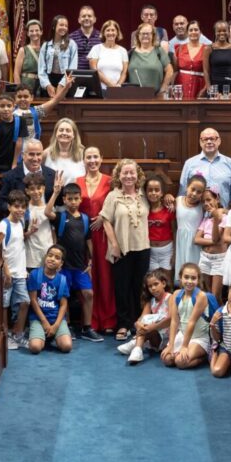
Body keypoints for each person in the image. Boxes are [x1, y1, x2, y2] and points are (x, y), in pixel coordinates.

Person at [45, 179, 103, 342]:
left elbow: (88, 242)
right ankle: (67, 325)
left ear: (80, 199)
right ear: (64, 200)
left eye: (76, 198)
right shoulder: (60, 217)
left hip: (80, 266)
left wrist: (91, 262)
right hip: (63, 266)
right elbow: (47, 212)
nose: (73, 202)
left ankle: (87, 328)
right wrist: (56, 192)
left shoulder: (85, 218)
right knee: (64, 295)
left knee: (88, 293)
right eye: (69, 199)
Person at [101, 159, 152, 342]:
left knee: (139, 288)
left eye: (132, 173)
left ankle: (138, 322)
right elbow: (105, 220)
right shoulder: (113, 196)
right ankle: (123, 324)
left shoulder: (144, 195)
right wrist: (114, 245)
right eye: (125, 173)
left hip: (142, 247)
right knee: (121, 287)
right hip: (121, 249)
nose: (129, 176)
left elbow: (160, 199)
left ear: (137, 175)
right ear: (119, 175)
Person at [77, 147, 116, 333]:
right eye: (88, 157)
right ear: (83, 160)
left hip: (103, 233)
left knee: (105, 276)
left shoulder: (110, 181)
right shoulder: (77, 181)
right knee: (88, 275)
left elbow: (117, 204)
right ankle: (90, 320)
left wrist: (103, 216)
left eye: (95, 157)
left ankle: (108, 320)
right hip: (83, 234)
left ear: (101, 158)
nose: (92, 160)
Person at [0, 190, 32, 351]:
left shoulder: (21, 222)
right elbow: (0, 250)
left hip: (20, 273)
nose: (20, 210)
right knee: (4, 305)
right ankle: (4, 336)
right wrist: (6, 271)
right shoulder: (3, 225)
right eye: (16, 206)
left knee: (25, 302)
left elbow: (18, 244)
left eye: (23, 207)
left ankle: (18, 334)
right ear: (9, 207)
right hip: (8, 273)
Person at [161, 262, 212, 369]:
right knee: (167, 359)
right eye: (186, 277)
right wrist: (171, 345)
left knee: (180, 362)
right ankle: (181, 351)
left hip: (199, 338)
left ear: (198, 280)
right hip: (183, 334)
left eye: (193, 278)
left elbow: (191, 322)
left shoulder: (201, 296)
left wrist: (184, 346)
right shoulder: (176, 294)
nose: (189, 281)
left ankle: (204, 356)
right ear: (180, 278)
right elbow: (174, 321)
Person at [118, 269, 172, 365]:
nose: (153, 288)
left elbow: (171, 319)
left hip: (168, 338)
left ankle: (135, 344)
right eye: (150, 286)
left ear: (163, 283)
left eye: (156, 284)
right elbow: (141, 318)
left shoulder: (170, 298)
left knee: (147, 324)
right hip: (154, 335)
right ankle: (137, 348)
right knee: (144, 321)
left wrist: (153, 326)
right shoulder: (151, 301)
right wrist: (138, 324)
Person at [27, 244, 72, 354]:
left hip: (56, 318)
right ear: (46, 257)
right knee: (35, 348)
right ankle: (40, 335)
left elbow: (63, 305)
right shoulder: (35, 274)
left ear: (61, 263)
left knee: (66, 346)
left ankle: (51, 335)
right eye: (50, 255)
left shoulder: (62, 279)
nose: (52, 259)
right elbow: (33, 300)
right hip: (38, 318)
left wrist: (56, 326)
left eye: (57, 258)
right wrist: (44, 322)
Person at [179, 128, 231, 208]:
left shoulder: (230, 163)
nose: (209, 142)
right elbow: (183, 192)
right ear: (200, 142)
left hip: (223, 213)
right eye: (205, 139)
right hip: (196, 213)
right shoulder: (189, 163)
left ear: (219, 141)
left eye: (212, 139)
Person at [0, 139, 56, 216]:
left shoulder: (52, 174)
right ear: (23, 155)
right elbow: (2, 203)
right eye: (31, 154)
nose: (35, 159)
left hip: (47, 220)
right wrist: (17, 211)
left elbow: (58, 203)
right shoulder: (9, 177)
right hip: (20, 220)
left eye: (38, 154)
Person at [0, 94, 28, 177]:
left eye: (9, 106)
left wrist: (14, 164)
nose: (6, 109)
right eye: (2, 106)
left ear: (14, 106)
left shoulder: (21, 121)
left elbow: (19, 143)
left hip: (13, 163)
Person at [195, 187, 227, 301]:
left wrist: (216, 218)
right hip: (205, 257)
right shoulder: (206, 219)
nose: (206, 203)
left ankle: (219, 313)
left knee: (215, 295)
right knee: (206, 293)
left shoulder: (225, 218)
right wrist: (213, 242)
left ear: (217, 199)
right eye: (203, 201)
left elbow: (216, 237)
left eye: (209, 200)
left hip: (219, 260)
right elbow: (197, 239)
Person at [174, 175, 206, 282]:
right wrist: (167, 196)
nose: (194, 194)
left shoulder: (202, 206)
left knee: (194, 270)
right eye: (193, 189)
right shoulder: (178, 201)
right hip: (181, 242)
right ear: (187, 187)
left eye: (199, 192)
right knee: (182, 270)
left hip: (195, 244)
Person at [127, 23, 173, 95]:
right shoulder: (131, 53)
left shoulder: (159, 51)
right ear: (138, 35)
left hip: (155, 96)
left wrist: (163, 88)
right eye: (143, 33)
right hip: (134, 96)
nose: (145, 36)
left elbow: (169, 71)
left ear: (153, 35)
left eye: (148, 33)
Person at [145, 174, 176, 279]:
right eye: (150, 190)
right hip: (151, 252)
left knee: (167, 281)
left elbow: (174, 231)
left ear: (162, 193)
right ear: (146, 192)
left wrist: (175, 253)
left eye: (157, 190)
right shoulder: (144, 210)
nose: (153, 193)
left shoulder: (169, 209)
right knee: (153, 281)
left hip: (167, 251)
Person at [37, 15, 78, 95]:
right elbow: (41, 69)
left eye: (66, 26)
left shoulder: (71, 44)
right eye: (61, 25)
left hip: (65, 80)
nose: (64, 28)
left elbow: (73, 68)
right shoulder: (45, 45)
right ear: (54, 26)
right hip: (49, 80)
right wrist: (47, 85)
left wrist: (62, 84)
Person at [23, 173, 53, 271]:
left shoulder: (49, 209)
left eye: (39, 188)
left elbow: (54, 232)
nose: (36, 192)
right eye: (32, 189)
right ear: (27, 191)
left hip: (48, 256)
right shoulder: (24, 210)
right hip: (31, 258)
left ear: (43, 188)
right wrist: (30, 231)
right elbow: (20, 236)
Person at [203, 20, 231, 97]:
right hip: (214, 88)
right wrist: (210, 89)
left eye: (224, 30)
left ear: (228, 31)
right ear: (215, 32)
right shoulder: (208, 49)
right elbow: (206, 71)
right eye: (219, 31)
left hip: (230, 88)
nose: (222, 33)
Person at [88, 20, 128, 90]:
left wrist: (118, 85)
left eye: (113, 30)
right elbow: (94, 69)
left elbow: (124, 73)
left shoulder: (123, 51)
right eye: (108, 30)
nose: (110, 33)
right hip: (100, 90)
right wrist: (111, 85)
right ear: (103, 33)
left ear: (117, 32)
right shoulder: (96, 48)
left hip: (117, 90)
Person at [172, 20, 208, 100]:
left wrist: (205, 88)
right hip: (181, 87)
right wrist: (172, 87)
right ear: (187, 32)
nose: (193, 32)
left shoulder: (206, 49)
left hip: (200, 86)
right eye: (191, 30)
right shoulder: (179, 49)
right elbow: (175, 71)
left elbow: (209, 72)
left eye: (196, 30)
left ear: (200, 32)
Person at [14, 19, 44, 93]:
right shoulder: (23, 50)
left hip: (42, 87)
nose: (34, 33)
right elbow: (16, 73)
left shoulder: (46, 49)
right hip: (26, 86)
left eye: (37, 30)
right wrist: (19, 90)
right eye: (31, 31)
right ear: (27, 33)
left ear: (41, 32)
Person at [70, 5, 102, 71]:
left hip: (97, 75)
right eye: (83, 16)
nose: (86, 18)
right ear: (79, 20)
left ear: (95, 19)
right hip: (76, 75)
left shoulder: (102, 37)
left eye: (89, 16)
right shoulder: (71, 37)